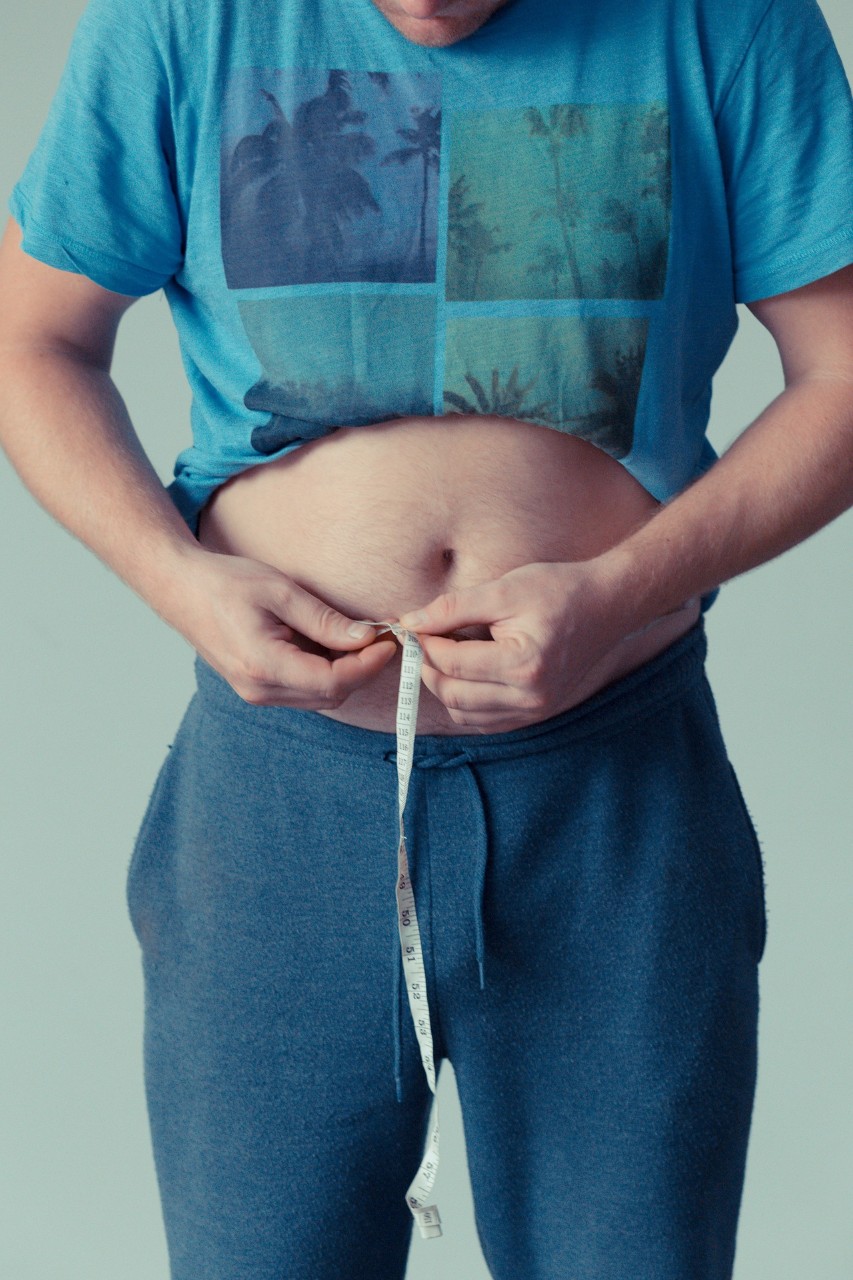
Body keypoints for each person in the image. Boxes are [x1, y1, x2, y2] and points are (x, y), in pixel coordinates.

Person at [0, 0, 851, 1275]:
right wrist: (178, 578)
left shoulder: (726, 18)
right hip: (278, 805)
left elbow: (844, 370)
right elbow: (33, 340)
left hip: (614, 799)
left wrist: (618, 588)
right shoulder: (178, 17)